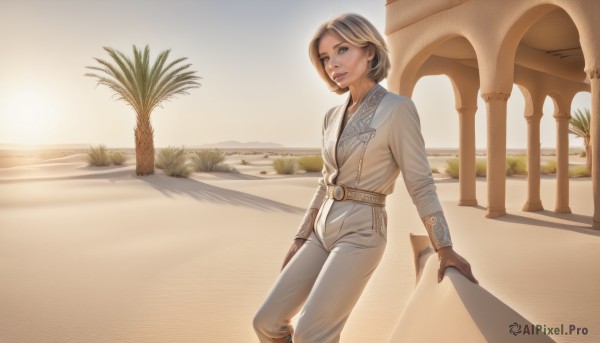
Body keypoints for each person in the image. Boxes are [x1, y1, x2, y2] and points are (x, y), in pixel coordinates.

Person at [253, 13, 478, 343]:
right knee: (266, 322)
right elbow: (325, 181)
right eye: (326, 57)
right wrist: (301, 236)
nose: (333, 64)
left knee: (311, 334)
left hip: (363, 229)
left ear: (369, 51)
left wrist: (444, 246)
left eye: (342, 50)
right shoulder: (331, 116)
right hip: (321, 228)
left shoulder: (398, 109)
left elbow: (421, 183)